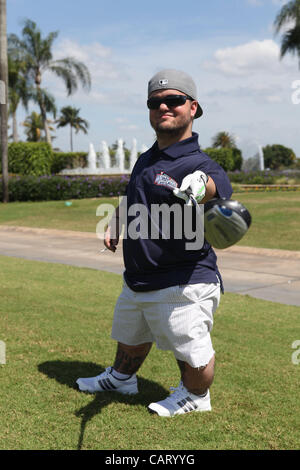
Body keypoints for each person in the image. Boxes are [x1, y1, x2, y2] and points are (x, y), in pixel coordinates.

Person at [76, 69, 233, 417]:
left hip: (183, 282)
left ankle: (196, 396)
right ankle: (121, 378)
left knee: (191, 348)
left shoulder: (199, 163)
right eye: (155, 102)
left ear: (193, 108)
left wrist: (199, 185)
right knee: (130, 332)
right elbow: (134, 197)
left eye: (174, 100)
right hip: (140, 278)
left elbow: (215, 184)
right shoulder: (147, 159)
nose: (164, 107)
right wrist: (117, 221)